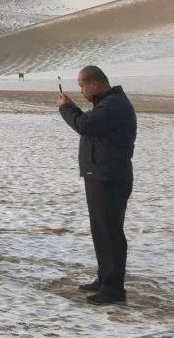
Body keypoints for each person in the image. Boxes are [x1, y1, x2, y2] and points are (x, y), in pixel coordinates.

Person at [58, 66, 136, 305]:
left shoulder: (114, 104)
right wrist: (73, 109)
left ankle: (114, 290)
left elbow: (84, 125)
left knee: (110, 233)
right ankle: (105, 279)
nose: (81, 91)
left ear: (94, 84)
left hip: (109, 178)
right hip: (100, 175)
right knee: (102, 231)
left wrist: (66, 108)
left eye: (82, 86)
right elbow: (90, 123)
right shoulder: (106, 105)